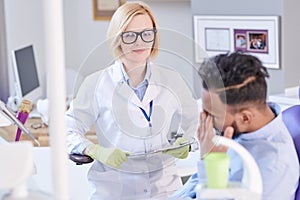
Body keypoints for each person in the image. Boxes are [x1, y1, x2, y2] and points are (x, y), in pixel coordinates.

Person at [65, 2, 198, 200]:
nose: (139, 42)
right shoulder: (95, 84)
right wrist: (93, 149)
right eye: (129, 35)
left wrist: (187, 142)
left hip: (165, 189)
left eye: (146, 33)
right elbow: (66, 129)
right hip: (114, 191)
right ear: (117, 39)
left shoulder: (172, 80)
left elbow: (197, 121)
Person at [171, 52, 299, 199]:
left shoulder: (272, 168)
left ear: (245, 117)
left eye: (212, 115)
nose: (206, 121)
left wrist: (209, 164)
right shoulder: (240, 130)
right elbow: (193, 187)